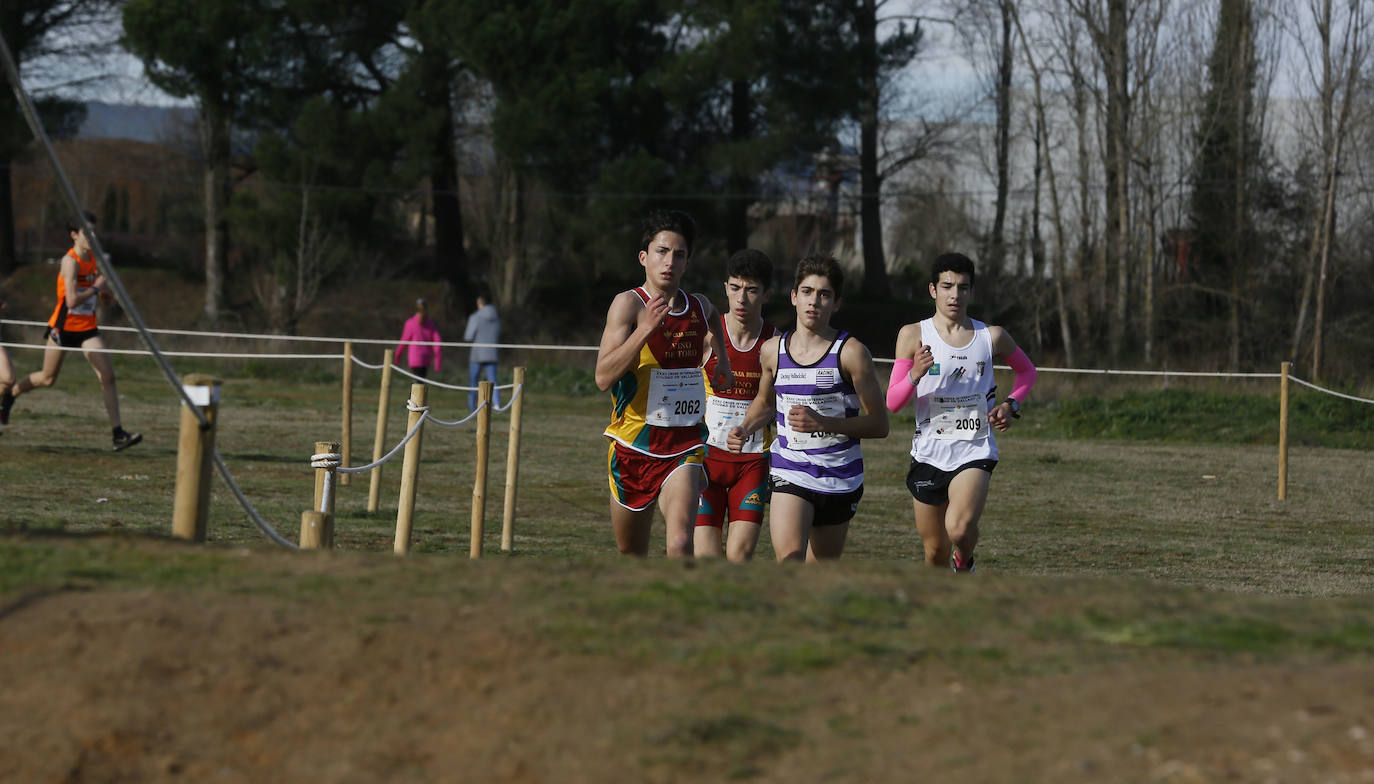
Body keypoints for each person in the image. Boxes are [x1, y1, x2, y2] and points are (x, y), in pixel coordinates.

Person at [727, 256, 888, 562]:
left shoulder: (852, 353)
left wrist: (824, 423)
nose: (814, 301)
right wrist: (745, 427)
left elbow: (880, 425)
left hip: (839, 478)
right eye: (807, 291)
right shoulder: (772, 351)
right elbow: (765, 402)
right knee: (789, 561)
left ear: (836, 303)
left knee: (817, 579)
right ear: (793, 297)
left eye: (824, 294)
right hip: (791, 469)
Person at [885, 252, 1038, 572]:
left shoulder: (991, 336)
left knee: (959, 529)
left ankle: (965, 559)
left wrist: (1011, 405)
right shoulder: (913, 335)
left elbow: (1027, 373)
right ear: (933, 290)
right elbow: (893, 402)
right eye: (947, 286)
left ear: (971, 291)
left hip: (974, 448)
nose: (955, 294)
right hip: (928, 454)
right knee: (935, 551)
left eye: (963, 287)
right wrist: (915, 373)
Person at [596, 209, 732, 558]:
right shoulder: (627, 305)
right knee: (632, 555)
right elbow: (602, 377)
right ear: (644, 257)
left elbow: (716, 317)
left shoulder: (699, 306)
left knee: (680, 543)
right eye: (661, 251)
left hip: (684, 445)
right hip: (633, 446)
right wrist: (644, 330)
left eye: (679, 254)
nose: (669, 261)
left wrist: (723, 363)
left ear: (688, 262)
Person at [0, 213, 142, 450]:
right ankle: (11, 394)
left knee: (107, 375)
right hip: (63, 328)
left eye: (95, 231)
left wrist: (106, 296)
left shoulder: (94, 258)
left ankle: (118, 434)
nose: (93, 236)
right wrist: (96, 290)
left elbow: (93, 288)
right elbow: (72, 301)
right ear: (74, 235)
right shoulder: (70, 261)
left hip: (87, 329)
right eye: (88, 232)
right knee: (47, 378)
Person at [694, 249, 777, 561]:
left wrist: (746, 428)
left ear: (766, 294)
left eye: (752, 290)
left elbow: (769, 404)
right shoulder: (706, 337)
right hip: (705, 461)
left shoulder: (774, 343)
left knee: (738, 558)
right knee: (705, 558)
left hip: (751, 463)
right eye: (735, 288)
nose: (742, 299)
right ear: (725, 288)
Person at [463, 286, 501, 411]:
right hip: (492, 352)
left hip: (477, 354)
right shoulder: (496, 318)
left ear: (480, 303)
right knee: (493, 380)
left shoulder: (475, 317)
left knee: (474, 381)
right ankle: (497, 404)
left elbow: (468, 336)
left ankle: (471, 406)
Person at [394, 297, 442, 379]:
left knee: (417, 383)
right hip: (426, 359)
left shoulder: (410, 323)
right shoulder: (430, 324)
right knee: (420, 382)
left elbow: (403, 342)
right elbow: (438, 344)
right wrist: (437, 363)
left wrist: (397, 357)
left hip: (414, 359)